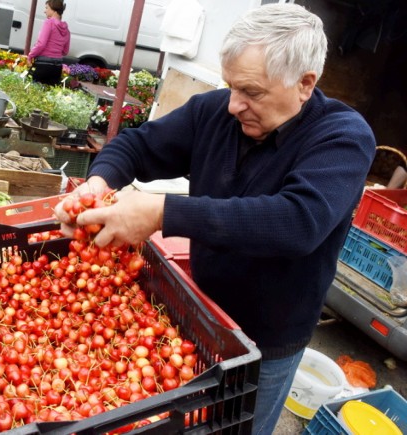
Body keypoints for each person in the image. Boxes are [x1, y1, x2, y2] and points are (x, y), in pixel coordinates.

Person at [54, 4, 376, 433]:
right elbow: (136, 146)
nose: (234, 104)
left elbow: (298, 222)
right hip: (197, 316)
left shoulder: (343, 138)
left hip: (266, 341)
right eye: (231, 87)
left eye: (252, 92)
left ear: (304, 84)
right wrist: (97, 184)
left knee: (238, 427)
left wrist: (162, 212)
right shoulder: (214, 113)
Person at [27, 0, 70, 85]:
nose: (44, 11)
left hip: (43, 64)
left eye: (47, 8)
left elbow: (41, 44)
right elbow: (65, 51)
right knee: (49, 94)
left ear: (54, 10)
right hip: (57, 67)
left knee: (34, 91)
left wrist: (30, 55)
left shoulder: (49, 23)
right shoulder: (66, 30)